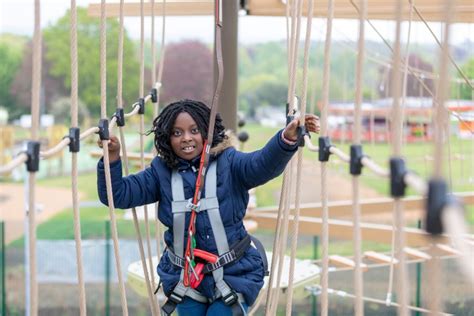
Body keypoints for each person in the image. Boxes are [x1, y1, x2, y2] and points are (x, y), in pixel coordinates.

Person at [97, 99, 320, 316]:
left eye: (194, 130)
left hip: (235, 273)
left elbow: (261, 164)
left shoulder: (229, 162)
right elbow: (118, 195)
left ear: (206, 132)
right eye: (177, 133)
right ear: (167, 138)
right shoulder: (159, 172)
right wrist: (112, 159)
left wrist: (285, 140)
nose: (186, 138)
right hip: (184, 277)